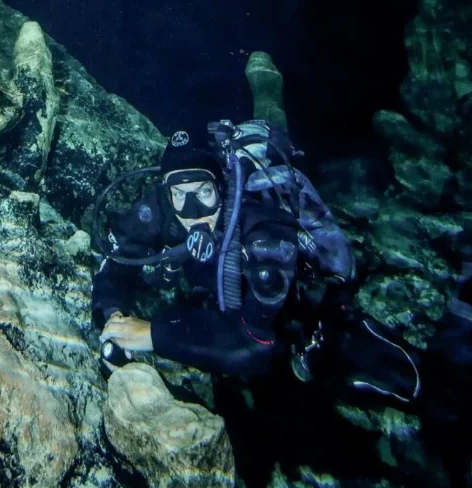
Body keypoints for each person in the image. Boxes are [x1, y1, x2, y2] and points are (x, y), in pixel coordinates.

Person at [91, 120, 421, 401]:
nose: (192, 210)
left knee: (422, 389)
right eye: (179, 193)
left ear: (221, 186)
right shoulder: (165, 208)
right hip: (219, 320)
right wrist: (113, 314)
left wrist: (152, 334)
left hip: (296, 332)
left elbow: (254, 347)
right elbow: (118, 259)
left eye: (204, 193)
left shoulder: (261, 229)